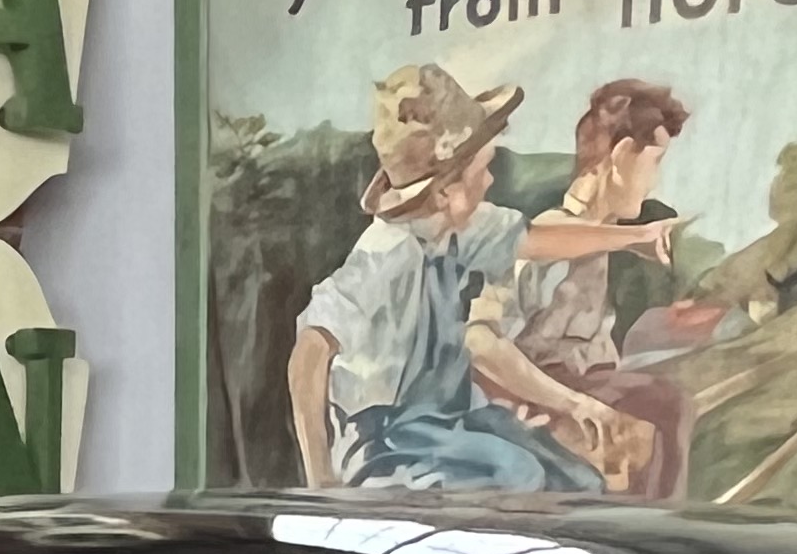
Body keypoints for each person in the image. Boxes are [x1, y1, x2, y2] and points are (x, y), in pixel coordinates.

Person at [286, 66, 679, 494]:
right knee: (519, 475)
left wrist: (635, 238)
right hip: (388, 437)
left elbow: (538, 239)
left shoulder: (463, 226)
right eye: (482, 171)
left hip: (454, 419)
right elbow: (310, 351)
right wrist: (321, 479)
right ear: (445, 192)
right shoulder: (387, 254)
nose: (490, 181)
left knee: (579, 480)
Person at [503, 80, 695, 497]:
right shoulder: (554, 233)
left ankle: (655, 516)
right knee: (668, 404)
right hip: (542, 394)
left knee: (660, 404)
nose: (654, 182)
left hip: (580, 387)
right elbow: (497, 343)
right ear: (622, 156)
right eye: (655, 162)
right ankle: (661, 521)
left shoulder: (599, 236)